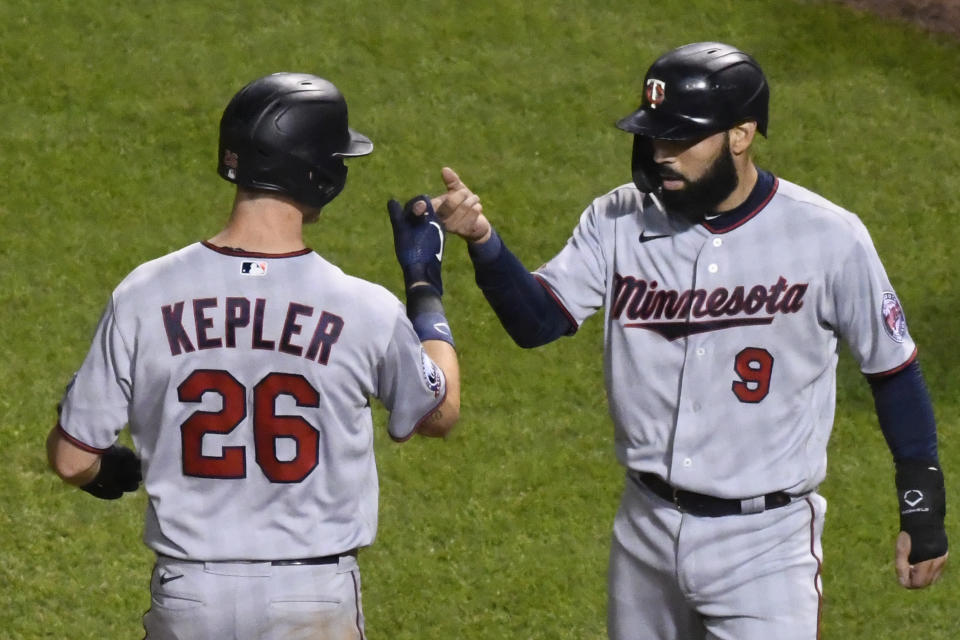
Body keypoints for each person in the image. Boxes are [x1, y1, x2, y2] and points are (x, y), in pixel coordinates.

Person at [430, 42, 947, 639]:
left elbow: (893, 369)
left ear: (741, 134)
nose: (661, 154)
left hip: (766, 546)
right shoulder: (618, 218)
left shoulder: (829, 238)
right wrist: (484, 240)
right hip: (645, 529)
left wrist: (922, 505)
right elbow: (537, 321)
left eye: (681, 139)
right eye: (655, 137)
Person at [46, 72, 460, 640]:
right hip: (313, 599)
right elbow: (439, 411)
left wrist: (106, 470)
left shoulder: (144, 293)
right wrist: (423, 285)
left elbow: (72, 459)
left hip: (190, 595)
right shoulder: (364, 307)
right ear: (321, 173)